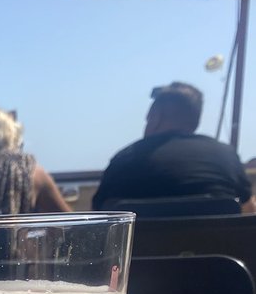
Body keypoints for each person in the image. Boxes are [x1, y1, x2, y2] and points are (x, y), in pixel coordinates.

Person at [92, 82, 255, 212]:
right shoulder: (226, 156)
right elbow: (247, 208)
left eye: (148, 119)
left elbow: (99, 214)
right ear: (195, 122)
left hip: (143, 246)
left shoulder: (124, 158)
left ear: (156, 117)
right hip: (219, 245)